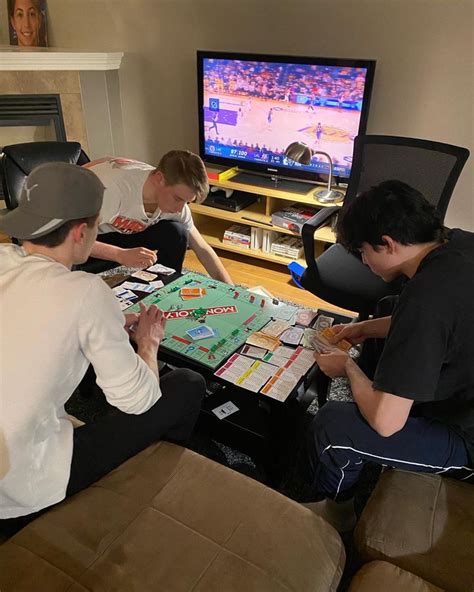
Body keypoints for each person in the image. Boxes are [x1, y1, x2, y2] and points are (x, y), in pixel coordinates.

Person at [0, 163, 206, 533]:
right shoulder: (87, 293)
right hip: (20, 488)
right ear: (82, 233)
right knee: (188, 383)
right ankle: (160, 466)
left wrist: (105, 325)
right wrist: (148, 342)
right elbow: (137, 400)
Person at [305, 180, 474, 532]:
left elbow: (387, 423)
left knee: (331, 426)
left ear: (388, 244)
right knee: (384, 309)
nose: (364, 262)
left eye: (363, 252)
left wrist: (348, 367)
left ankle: (338, 514)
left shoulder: (425, 302)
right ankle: (379, 406)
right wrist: (361, 330)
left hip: (466, 436)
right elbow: (435, 319)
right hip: (463, 375)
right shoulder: (457, 242)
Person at [83, 150, 233, 284]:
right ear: (159, 179)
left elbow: (202, 249)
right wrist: (120, 255)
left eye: (187, 202)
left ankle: (162, 287)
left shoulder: (174, 201)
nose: (181, 208)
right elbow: (72, 238)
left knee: (177, 232)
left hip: (116, 232)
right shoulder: (112, 191)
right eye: (178, 199)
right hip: (78, 236)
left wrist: (233, 292)